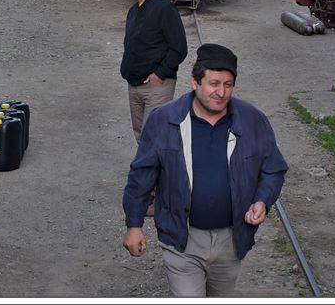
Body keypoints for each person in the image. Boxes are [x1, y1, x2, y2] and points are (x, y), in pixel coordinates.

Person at [122, 43, 287, 297]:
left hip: (231, 241)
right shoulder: (164, 120)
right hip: (182, 239)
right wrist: (134, 224)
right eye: (213, 84)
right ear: (194, 82)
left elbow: (273, 169)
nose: (221, 92)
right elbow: (141, 175)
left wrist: (262, 201)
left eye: (228, 84)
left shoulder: (253, 120)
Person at [122, 0, 188, 141]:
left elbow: (179, 48)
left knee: (154, 135)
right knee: (140, 136)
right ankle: (146, 169)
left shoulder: (165, 9)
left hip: (156, 86)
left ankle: (163, 168)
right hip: (134, 84)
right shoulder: (133, 11)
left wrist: (160, 74)